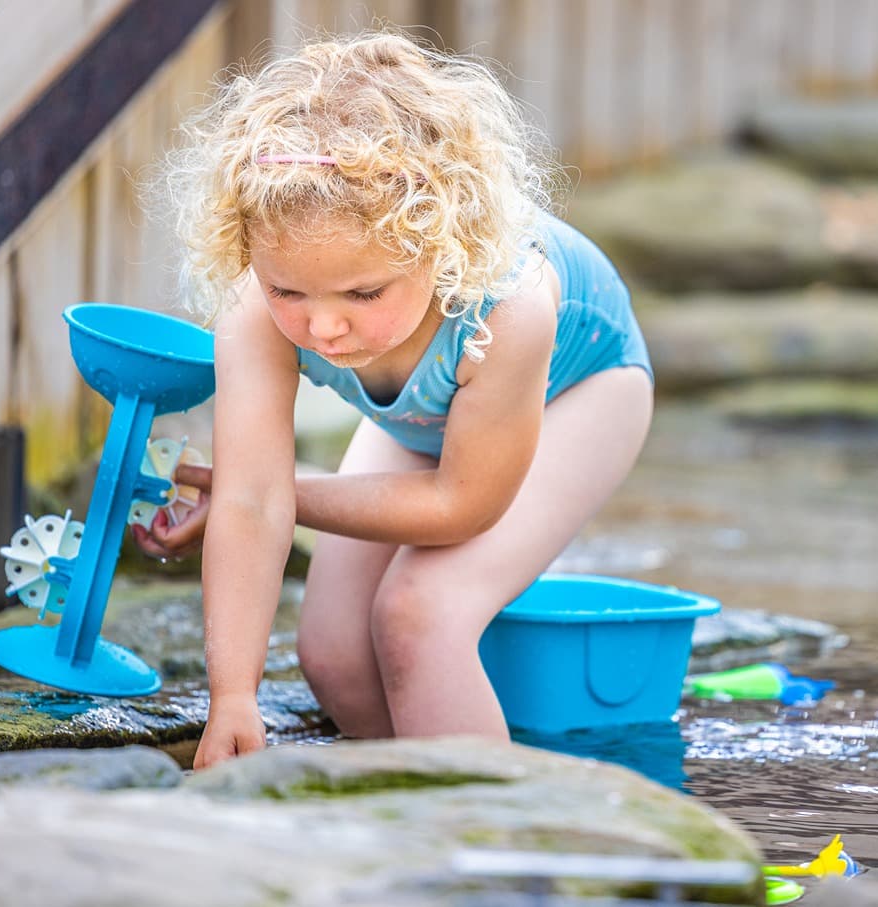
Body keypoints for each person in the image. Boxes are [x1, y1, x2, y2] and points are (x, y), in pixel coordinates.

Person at [137, 32, 654, 771]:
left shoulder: (506, 310)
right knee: (334, 654)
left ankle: (492, 834)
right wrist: (232, 697)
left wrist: (268, 492)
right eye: (288, 290)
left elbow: (458, 505)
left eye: (363, 293)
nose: (322, 325)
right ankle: (406, 801)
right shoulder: (255, 306)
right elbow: (253, 504)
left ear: (442, 246)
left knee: (419, 614)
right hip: (419, 414)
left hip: (583, 393)